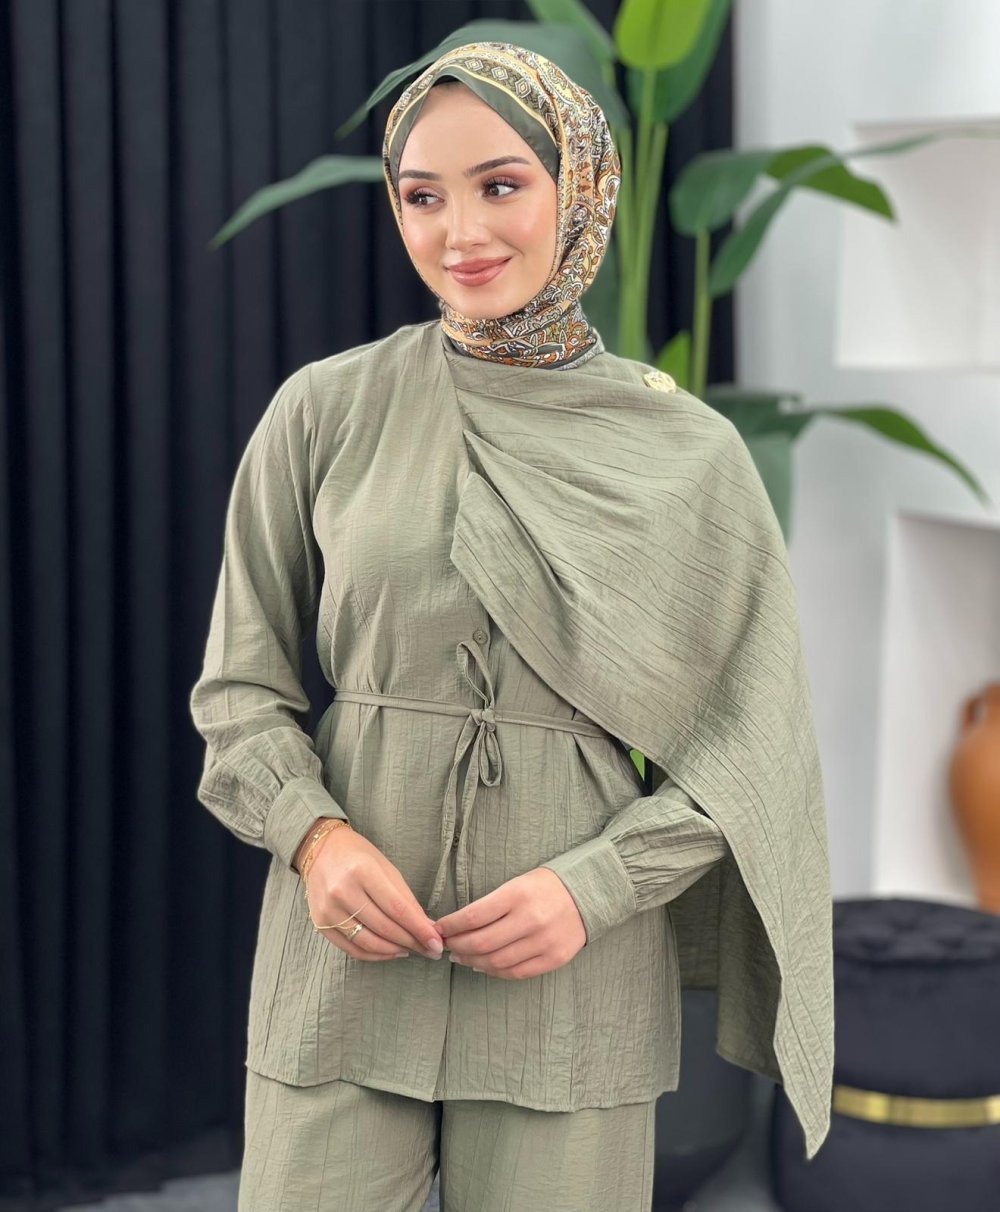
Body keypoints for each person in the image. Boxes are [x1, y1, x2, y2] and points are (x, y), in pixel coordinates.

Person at [189, 41, 834, 1212]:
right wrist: (313, 838)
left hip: (571, 985)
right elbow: (238, 690)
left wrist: (596, 887)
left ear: (577, 187)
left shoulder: (687, 455)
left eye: (499, 185)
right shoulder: (324, 411)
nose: (459, 234)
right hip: (344, 962)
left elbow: (754, 745)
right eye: (421, 197)